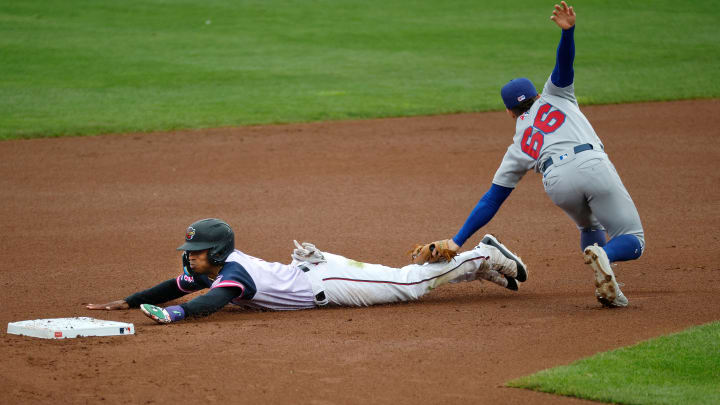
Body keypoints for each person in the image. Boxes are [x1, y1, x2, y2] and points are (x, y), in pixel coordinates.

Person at [415, 2, 644, 307]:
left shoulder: (518, 144)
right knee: (632, 239)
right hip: (591, 164)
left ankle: (605, 278)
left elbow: (492, 199)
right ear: (537, 95)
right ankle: (606, 256)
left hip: (557, 183)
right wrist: (568, 32)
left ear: (510, 112)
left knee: (590, 226)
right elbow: (565, 64)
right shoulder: (556, 94)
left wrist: (457, 241)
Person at [86, 218, 528, 324]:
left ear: (216, 251)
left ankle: (479, 256)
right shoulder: (210, 270)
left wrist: (177, 315)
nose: (190, 258)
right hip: (315, 272)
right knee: (403, 279)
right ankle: (474, 268)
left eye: (196, 252)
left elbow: (214, 301)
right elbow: (173, 286)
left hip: (329, 283)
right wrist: (128, 301)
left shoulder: (232, 273)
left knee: (406, 284)